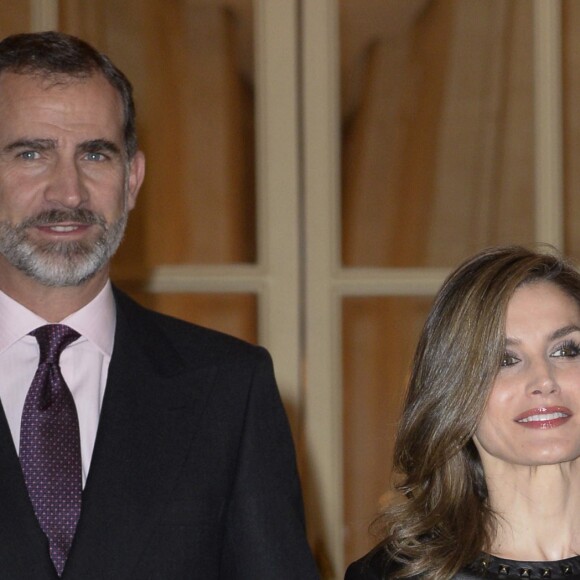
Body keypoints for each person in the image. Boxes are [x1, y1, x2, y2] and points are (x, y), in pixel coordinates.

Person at [0, 31, 319, 579]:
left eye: (96, 155)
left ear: (132, 179)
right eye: (32, 154)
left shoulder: (229, 389)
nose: (69, 193)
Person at [345, 245, 580, 579]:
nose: (544, 380)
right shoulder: (395, 574)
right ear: (454, 390)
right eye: (504, 360)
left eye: (567, 350)